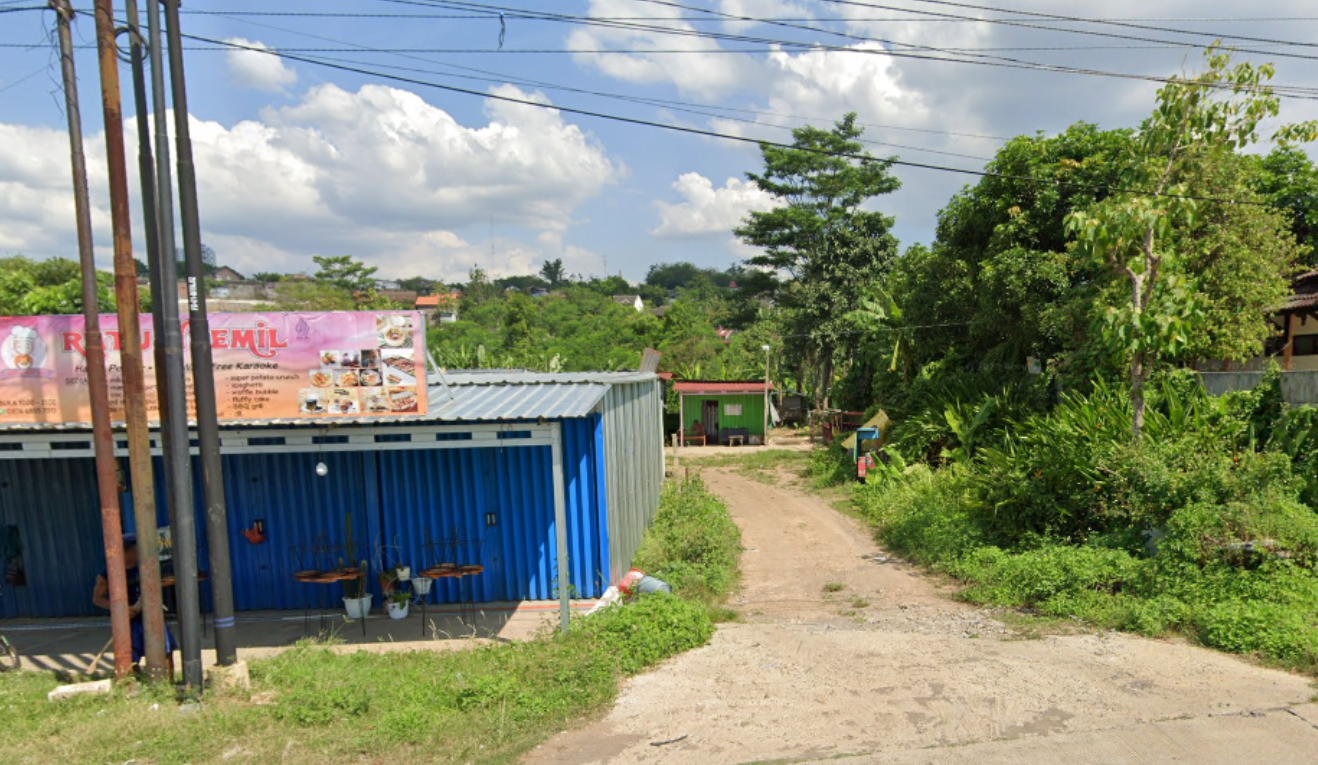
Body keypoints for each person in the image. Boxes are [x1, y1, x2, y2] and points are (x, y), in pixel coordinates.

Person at [92, 533, 177, 676]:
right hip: (127, 619)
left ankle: (168, 683)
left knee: (165, 648)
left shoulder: (146, 567)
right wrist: (121, 610)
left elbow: (163, 581)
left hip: (152, 613)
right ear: (128, 551)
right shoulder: (108, 573)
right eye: (137, 548)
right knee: (131, 653)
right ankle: (136, 682)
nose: (140, 551)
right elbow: (97, 599)